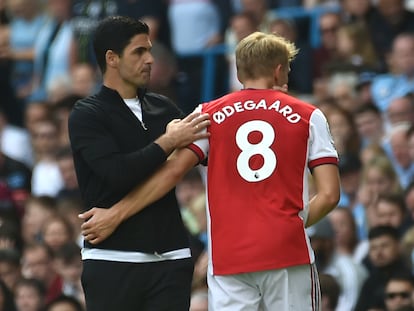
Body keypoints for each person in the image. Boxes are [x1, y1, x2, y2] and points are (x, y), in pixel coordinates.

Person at [80, 31, 340, 310]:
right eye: (287, 69)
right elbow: (329, 195)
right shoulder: (308, 115)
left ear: (240, 74)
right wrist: (288, 225)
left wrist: (116, 213)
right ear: (278, 71)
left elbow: (171, 173)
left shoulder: (208, 114)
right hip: (287, 252)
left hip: (229, 255)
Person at [67, 16, 210, 311]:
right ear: (112, 58)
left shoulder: (165, 108)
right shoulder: (87, 113)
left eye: (150, 51)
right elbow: (117, 174)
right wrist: (168, 143)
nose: (149, 60)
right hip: (111, 259)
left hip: (172, 257)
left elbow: (178, 167)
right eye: (139, 52)